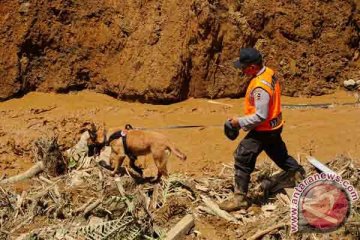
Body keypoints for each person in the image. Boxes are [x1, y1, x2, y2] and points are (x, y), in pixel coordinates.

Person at [219, 48, 305, 212]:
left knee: (242, 157)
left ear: (251, 67)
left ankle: (240, 199)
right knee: (279, 154)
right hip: (274, 126)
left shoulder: (260, 87)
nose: (241, 70)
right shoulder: (269, 73)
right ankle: (297, 172)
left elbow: (261, 116)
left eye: (243, 67)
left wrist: (238, 122)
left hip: (263, 129)